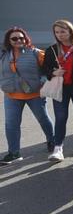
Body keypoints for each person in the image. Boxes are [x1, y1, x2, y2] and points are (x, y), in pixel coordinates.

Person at [0, 27, 55, 164]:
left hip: (34, 94)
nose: (19, 40)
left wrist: (42, 81)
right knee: (11, 124)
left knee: (43, 119)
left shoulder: (35, 53)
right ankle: (14, 152)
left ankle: (52, 141)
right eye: (14, 38)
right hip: (11, 94)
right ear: (9, 40)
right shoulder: (3, 55)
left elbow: (48, 69)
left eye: (21, 38)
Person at [42, 19, 73, 161]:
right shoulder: (51, 50)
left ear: (70, 31)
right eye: (57, 32)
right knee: (61, 117)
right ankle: (58, 148)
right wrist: (53, 72)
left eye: (63, 31)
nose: (60, 35)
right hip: (60, 87)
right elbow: (45, 68)